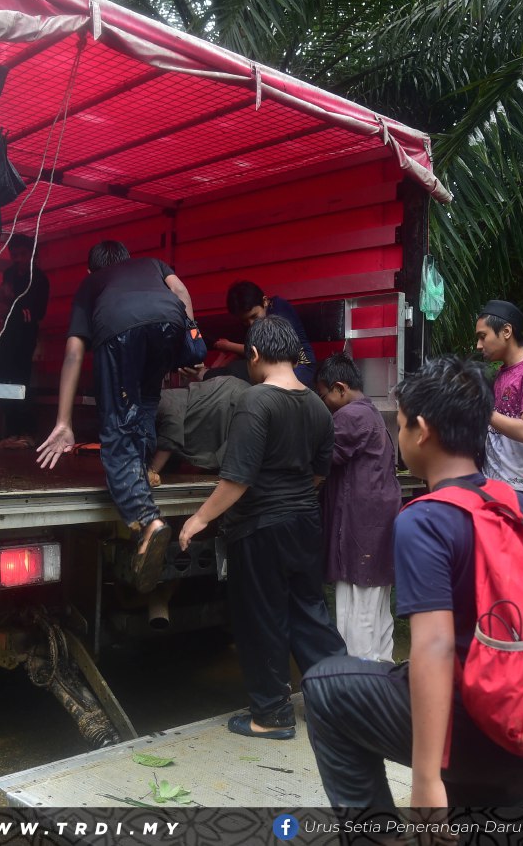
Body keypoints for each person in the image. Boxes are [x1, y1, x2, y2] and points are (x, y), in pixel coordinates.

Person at [303, 356, 523, 807]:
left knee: (325, 686)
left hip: (477, 728)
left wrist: (425, 780)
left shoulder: (424, 519)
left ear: (421, 430)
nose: (399, 438)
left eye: (400, 426)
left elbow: (434, 648)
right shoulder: (521, 506)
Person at [177, 315, 345, 740]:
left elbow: (237, 478)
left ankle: (271, 716)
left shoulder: (256, 401)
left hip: (261, 528)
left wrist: (199, 519)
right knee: (310, 614)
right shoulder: (319, 408)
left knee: (262, 618)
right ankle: (343, 707)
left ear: (252, 355)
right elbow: (318, 475)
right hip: (305, 521)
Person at [36, 240, 195, 594]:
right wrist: (192, 338)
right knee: (145, 403)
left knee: (118, 429)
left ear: (91, 270)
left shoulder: (91, 284)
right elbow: (181, 290)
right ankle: (143, 473)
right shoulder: (153, 264)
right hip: (169, 323)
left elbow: (75, 352)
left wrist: (64, 421)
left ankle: (147, 520)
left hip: (121, 332)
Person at [315, 353, 400, 662]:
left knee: (356, 615)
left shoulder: (350, 417)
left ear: (340, 388)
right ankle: (382, 680)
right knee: (377, 611)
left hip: (359, 529)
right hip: (377, 527)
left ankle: (360, 687)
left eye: (323, 395)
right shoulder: (371, 413)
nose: (323, 402)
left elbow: (319, 461)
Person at [474, 300, 523, 508]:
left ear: (506, 331)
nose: (478, 345)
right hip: (493, 485)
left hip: (522, 490)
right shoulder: (501, 373)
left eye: (483, 337)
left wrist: (480, 407)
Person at [0, 234, 50, 446]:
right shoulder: (9, 273)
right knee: (4, 380)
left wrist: (11, 302)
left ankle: (26, 432)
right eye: (14, 255)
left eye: (22, 254)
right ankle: (11, 432)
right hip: (6, 337)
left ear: (32, 255)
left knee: (21, 382)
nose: (18, 259)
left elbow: (37, 312)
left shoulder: (39, 278)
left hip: (25, 338)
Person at [150, 374, 251, 484]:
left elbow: (172, 427)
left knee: (233, 471)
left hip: (228, 400)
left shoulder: (159, 400)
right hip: (222, 403)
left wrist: (152, 470)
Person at [217, 281, 316, 387]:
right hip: (275, 367)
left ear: (264, 301)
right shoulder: (256, 322)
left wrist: (228, 346)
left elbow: (263, 350)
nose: (251, 324)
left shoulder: (279, 310)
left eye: (254, 316)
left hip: (301, 365)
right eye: (245, 321)